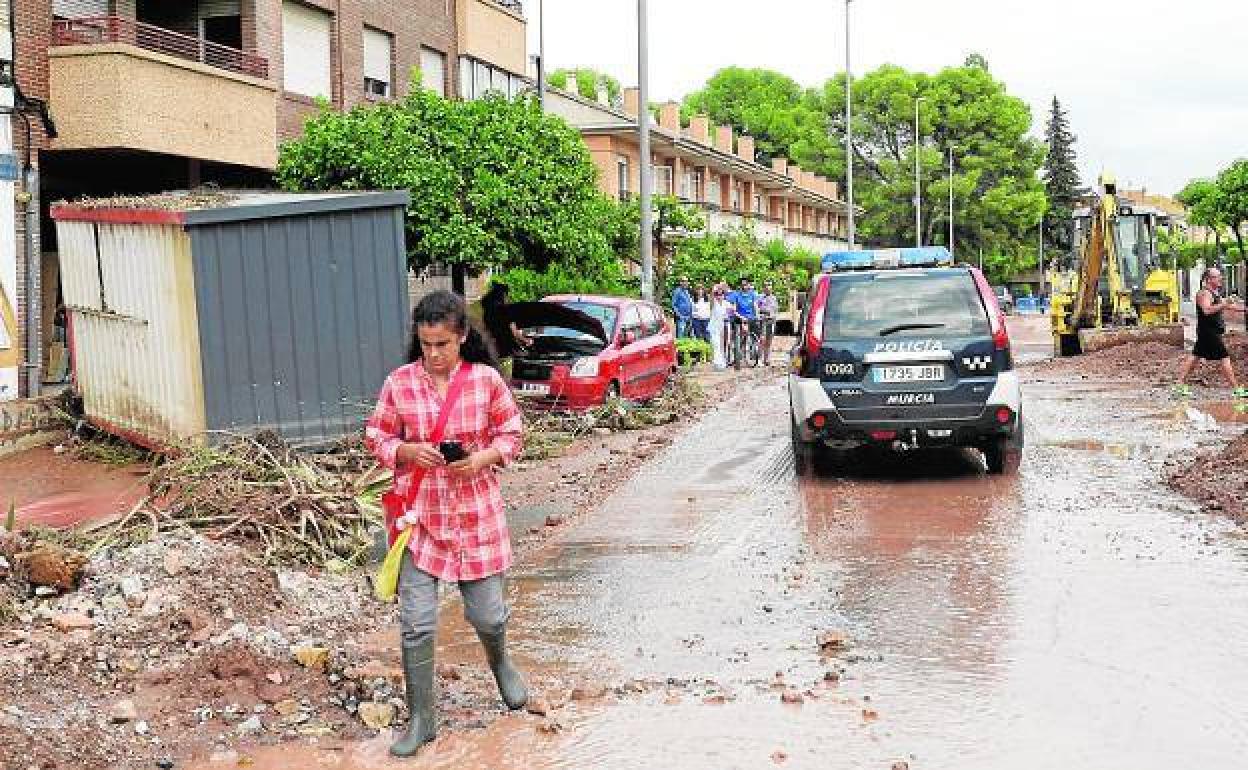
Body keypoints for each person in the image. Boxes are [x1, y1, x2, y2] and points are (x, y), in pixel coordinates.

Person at [365, 290, 528, 758]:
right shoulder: (399, 383)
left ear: (462, 337)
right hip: (422, 520)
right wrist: (404, 451)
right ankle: (422, 718)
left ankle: (503, 668)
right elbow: (376, 433)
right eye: (425, 345)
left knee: (488, 615)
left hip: (477, 518)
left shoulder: (485, 381)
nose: (433, 354)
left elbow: (512, 433)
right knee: (416, 624)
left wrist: (481, 458)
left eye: (442, 344)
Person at [1176, 268, 1247, 398]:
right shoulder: (1204, 294)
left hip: (1209, 331)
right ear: (1208, 279)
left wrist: (1243, 309)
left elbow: (1226, 306)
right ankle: (1236, 389)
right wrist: (1224, 303)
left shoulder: (1214, 293)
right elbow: (1207, 310)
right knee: (1224, 358)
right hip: (1209, 332)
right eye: (1217, 276)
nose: (1221, 279)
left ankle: (1179, 385)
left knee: (1195, 357)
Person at [479, 281, 532, 361]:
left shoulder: (487, 312)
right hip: (505, 350)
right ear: (503, 295)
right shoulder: (505, 311)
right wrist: (526, 340)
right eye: (506, 295)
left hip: (490, 348)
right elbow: (514, 333)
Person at [726, 279, 760, 369]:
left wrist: (757, 316)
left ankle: (751, 354)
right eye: (743, 285)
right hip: (739, 317)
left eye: (746, 284)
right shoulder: (737, 295)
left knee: (755, 336)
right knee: (739, 334)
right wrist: (740, 316)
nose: (745, 286)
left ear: (749, 285)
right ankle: (737, 351)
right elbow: (734, 308)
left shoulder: (753, 294)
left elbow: (755, 306)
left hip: (751, 318)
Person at [709, 284, 730, 370]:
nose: (719, 296)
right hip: (714, 327)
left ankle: (722, 362)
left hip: (722, 327)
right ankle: (717, 363)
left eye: (721, 294)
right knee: (716, 344)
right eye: (717, 294)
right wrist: (714, 288)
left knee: (722, 346)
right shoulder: (714, 303)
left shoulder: (725, 303)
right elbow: (711, 297)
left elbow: (733, 310)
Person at [758, 282, 780, 366]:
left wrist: (773, 316)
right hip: (763, 321)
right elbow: (757, 308)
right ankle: (759, 359)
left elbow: (775, 310)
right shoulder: (760, 297)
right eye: (766, 285)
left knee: (769, 340)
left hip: (771, 321)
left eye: (769, 285)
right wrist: (763, 313)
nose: (768, 287)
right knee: (762, 340)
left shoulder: (774, 298)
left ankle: (767, 359)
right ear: (763, 288)